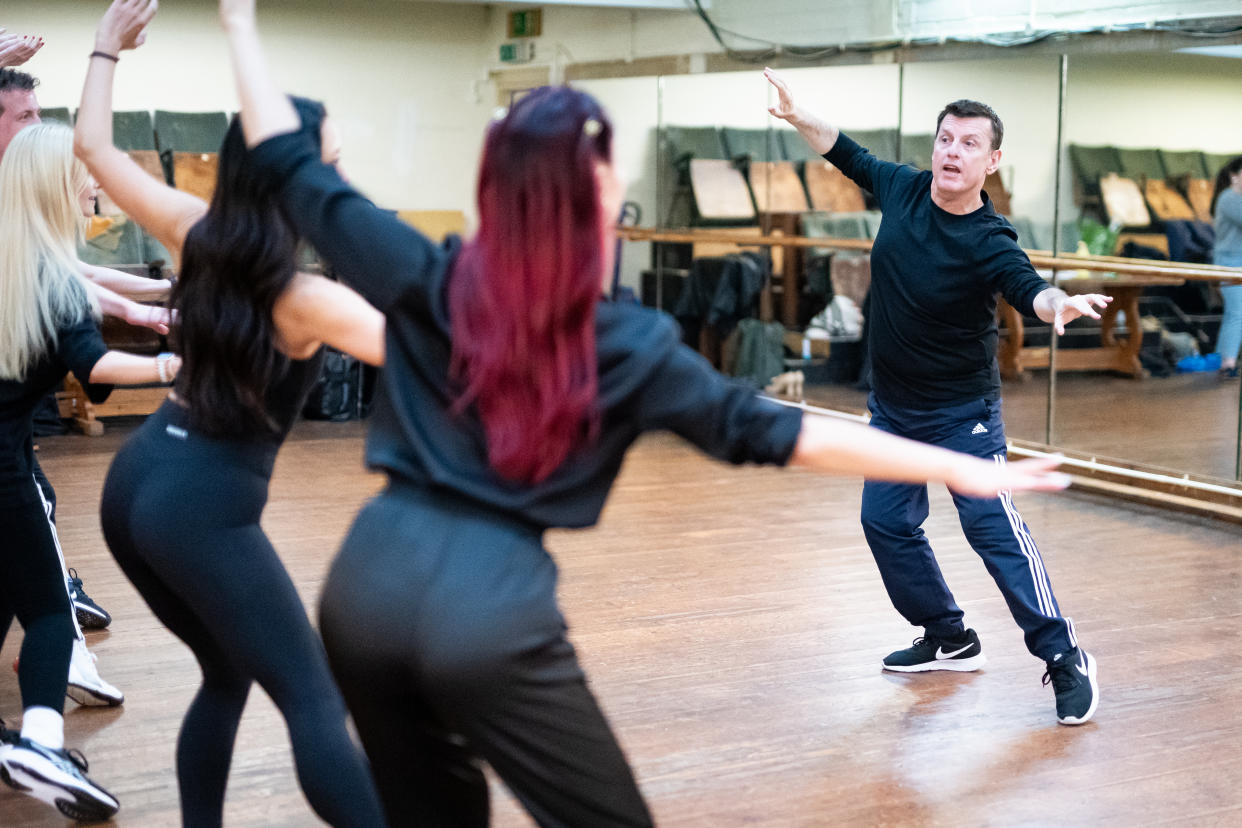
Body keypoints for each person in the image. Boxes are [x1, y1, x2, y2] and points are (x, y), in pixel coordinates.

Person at [223, 2, 1070, 823]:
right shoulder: (624, 340)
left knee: (433, 810)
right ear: (600, 196)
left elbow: (296, 173)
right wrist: (956, 466)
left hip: (361, 588)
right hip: (485, 609)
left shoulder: (429, 271)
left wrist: (240, 23)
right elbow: (775, 433)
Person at [80, 1, 387, 824]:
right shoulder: (305, 298)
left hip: (137, 478)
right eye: (326, 164)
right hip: (201, 507)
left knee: (226, 673)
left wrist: (105, 49)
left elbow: (94, 150)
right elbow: (434, 345)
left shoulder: (197, 230)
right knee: (315, 701)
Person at [766, 68, 1105, 725]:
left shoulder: (989, 238)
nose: (952, 151)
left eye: (968, 143)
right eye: (945, 139)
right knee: (885, 522)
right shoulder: (904, 188)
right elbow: (845, 150)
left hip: (962, 415)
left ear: (992, 160)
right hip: (892, 408)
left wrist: (1056, 302)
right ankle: (948, 633)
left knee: (993, 531)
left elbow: (1025, 284)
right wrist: (798, 113)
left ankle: (1064, 656)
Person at [0, 121, 180, 823]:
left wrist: (143, 303)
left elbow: (93, 302)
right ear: (56, 184)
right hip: (6, 473)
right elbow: (96, 367)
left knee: (6, 593)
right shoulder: (51, 278)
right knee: (48, 610)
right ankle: (42, 741)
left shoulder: (23, 264)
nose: (94, 184)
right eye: (85, 172)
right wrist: (173, 368)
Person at [1211, 156, 1242, 379]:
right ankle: (1227, 362)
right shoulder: (1229, 198)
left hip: (1237, 261)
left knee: (1235, 313)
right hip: (1229, 264)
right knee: (1237, 313)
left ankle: (1220, 358)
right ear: (1234, 176)